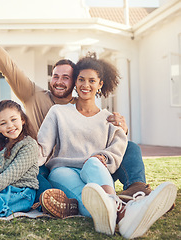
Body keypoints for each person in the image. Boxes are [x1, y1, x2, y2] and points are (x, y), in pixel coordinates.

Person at [0, 6, 151, 203]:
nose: (59, 81)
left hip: (90, 165)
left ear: (75, 81)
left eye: (66, 77)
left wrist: (121, 130)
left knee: (131, 147)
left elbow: (107, 136)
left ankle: (137, 190)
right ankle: (57, 201)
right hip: (45, 163)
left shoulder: (81, 106)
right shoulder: (35, 95)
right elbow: (8, 66)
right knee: (36, 173)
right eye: (55, 76)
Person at [38, 55, 176, 238]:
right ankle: (126, 212)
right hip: (64, 170)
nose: (85, 85)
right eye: (81, 80)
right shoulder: (58, 112)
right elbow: (43, 147)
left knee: (94, 165)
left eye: (92, 81)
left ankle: (116, 213)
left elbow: (120, 147)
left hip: (96, 170)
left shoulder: (110, 119)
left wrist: (103, 157)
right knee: (88, 196)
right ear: (75, 83)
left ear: (100, 84)